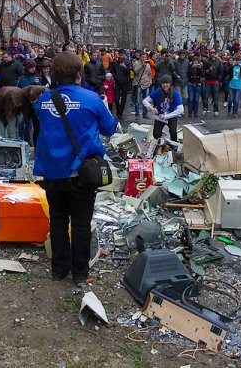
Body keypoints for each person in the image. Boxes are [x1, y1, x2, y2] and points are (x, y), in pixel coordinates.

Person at [34, 51, 117, 285]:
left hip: (52, 172)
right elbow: (109, 129)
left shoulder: (44, 100)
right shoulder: (91, 99)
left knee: (58, 221)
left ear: (54, 73)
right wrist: (104, 107)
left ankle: (59, 269)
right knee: (81, 224)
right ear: (79, 73)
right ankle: (79, 273)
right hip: (82, 174)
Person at [142, 74, 184, 141]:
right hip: (159, 116)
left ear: (170, 84)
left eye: (167, 83)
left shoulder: (175, 93)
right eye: (163, 83)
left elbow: (181, 109)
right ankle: (160, 144)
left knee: (173, 132)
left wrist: (166, 116)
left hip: (171, 116)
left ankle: (173, 147)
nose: (165, 85)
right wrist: (151, 107)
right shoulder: (158, 91)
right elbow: (145, 101)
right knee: (156, 134)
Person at [110, 49, 131, 119]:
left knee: (124, 99)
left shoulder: (127, 62)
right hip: (117, 83)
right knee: (116, 98)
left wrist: (125, 67)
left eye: (123, 55)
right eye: (121, 55)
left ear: (125, 55)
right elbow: (111, 72)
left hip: (125, 83)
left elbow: (129, 72)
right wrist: (115, 77)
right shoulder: (115, 63)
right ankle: (118, 111)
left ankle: (120, 113)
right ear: (118, 55)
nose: (122, 56)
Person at [202, 49, 223, 115]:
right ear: (209, 54)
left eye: (213, 53)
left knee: (215, 97)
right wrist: (208, 70)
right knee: (206, 97)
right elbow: (203, 72)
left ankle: (216, 110)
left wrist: (219, 80)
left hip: (215, 81)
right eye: (211, 53)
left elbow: (220, 72)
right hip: (208, 81)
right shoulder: (206, 61)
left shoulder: (218, 61)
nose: (212, 54)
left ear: (215, 54)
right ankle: (205, 108)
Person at [132, 52, 152, 118]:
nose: (144, 58)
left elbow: (149, 74)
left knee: (146, 100)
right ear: (140, 57)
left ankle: (145, 114)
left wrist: (150, 81)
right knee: (137, 100)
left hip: (146, 84)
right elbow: (136, 71)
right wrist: (142, 66)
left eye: (145, 57)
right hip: (138, 84)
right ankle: (137, 114)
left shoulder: (148, 64)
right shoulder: (136, 63)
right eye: (142, 57)